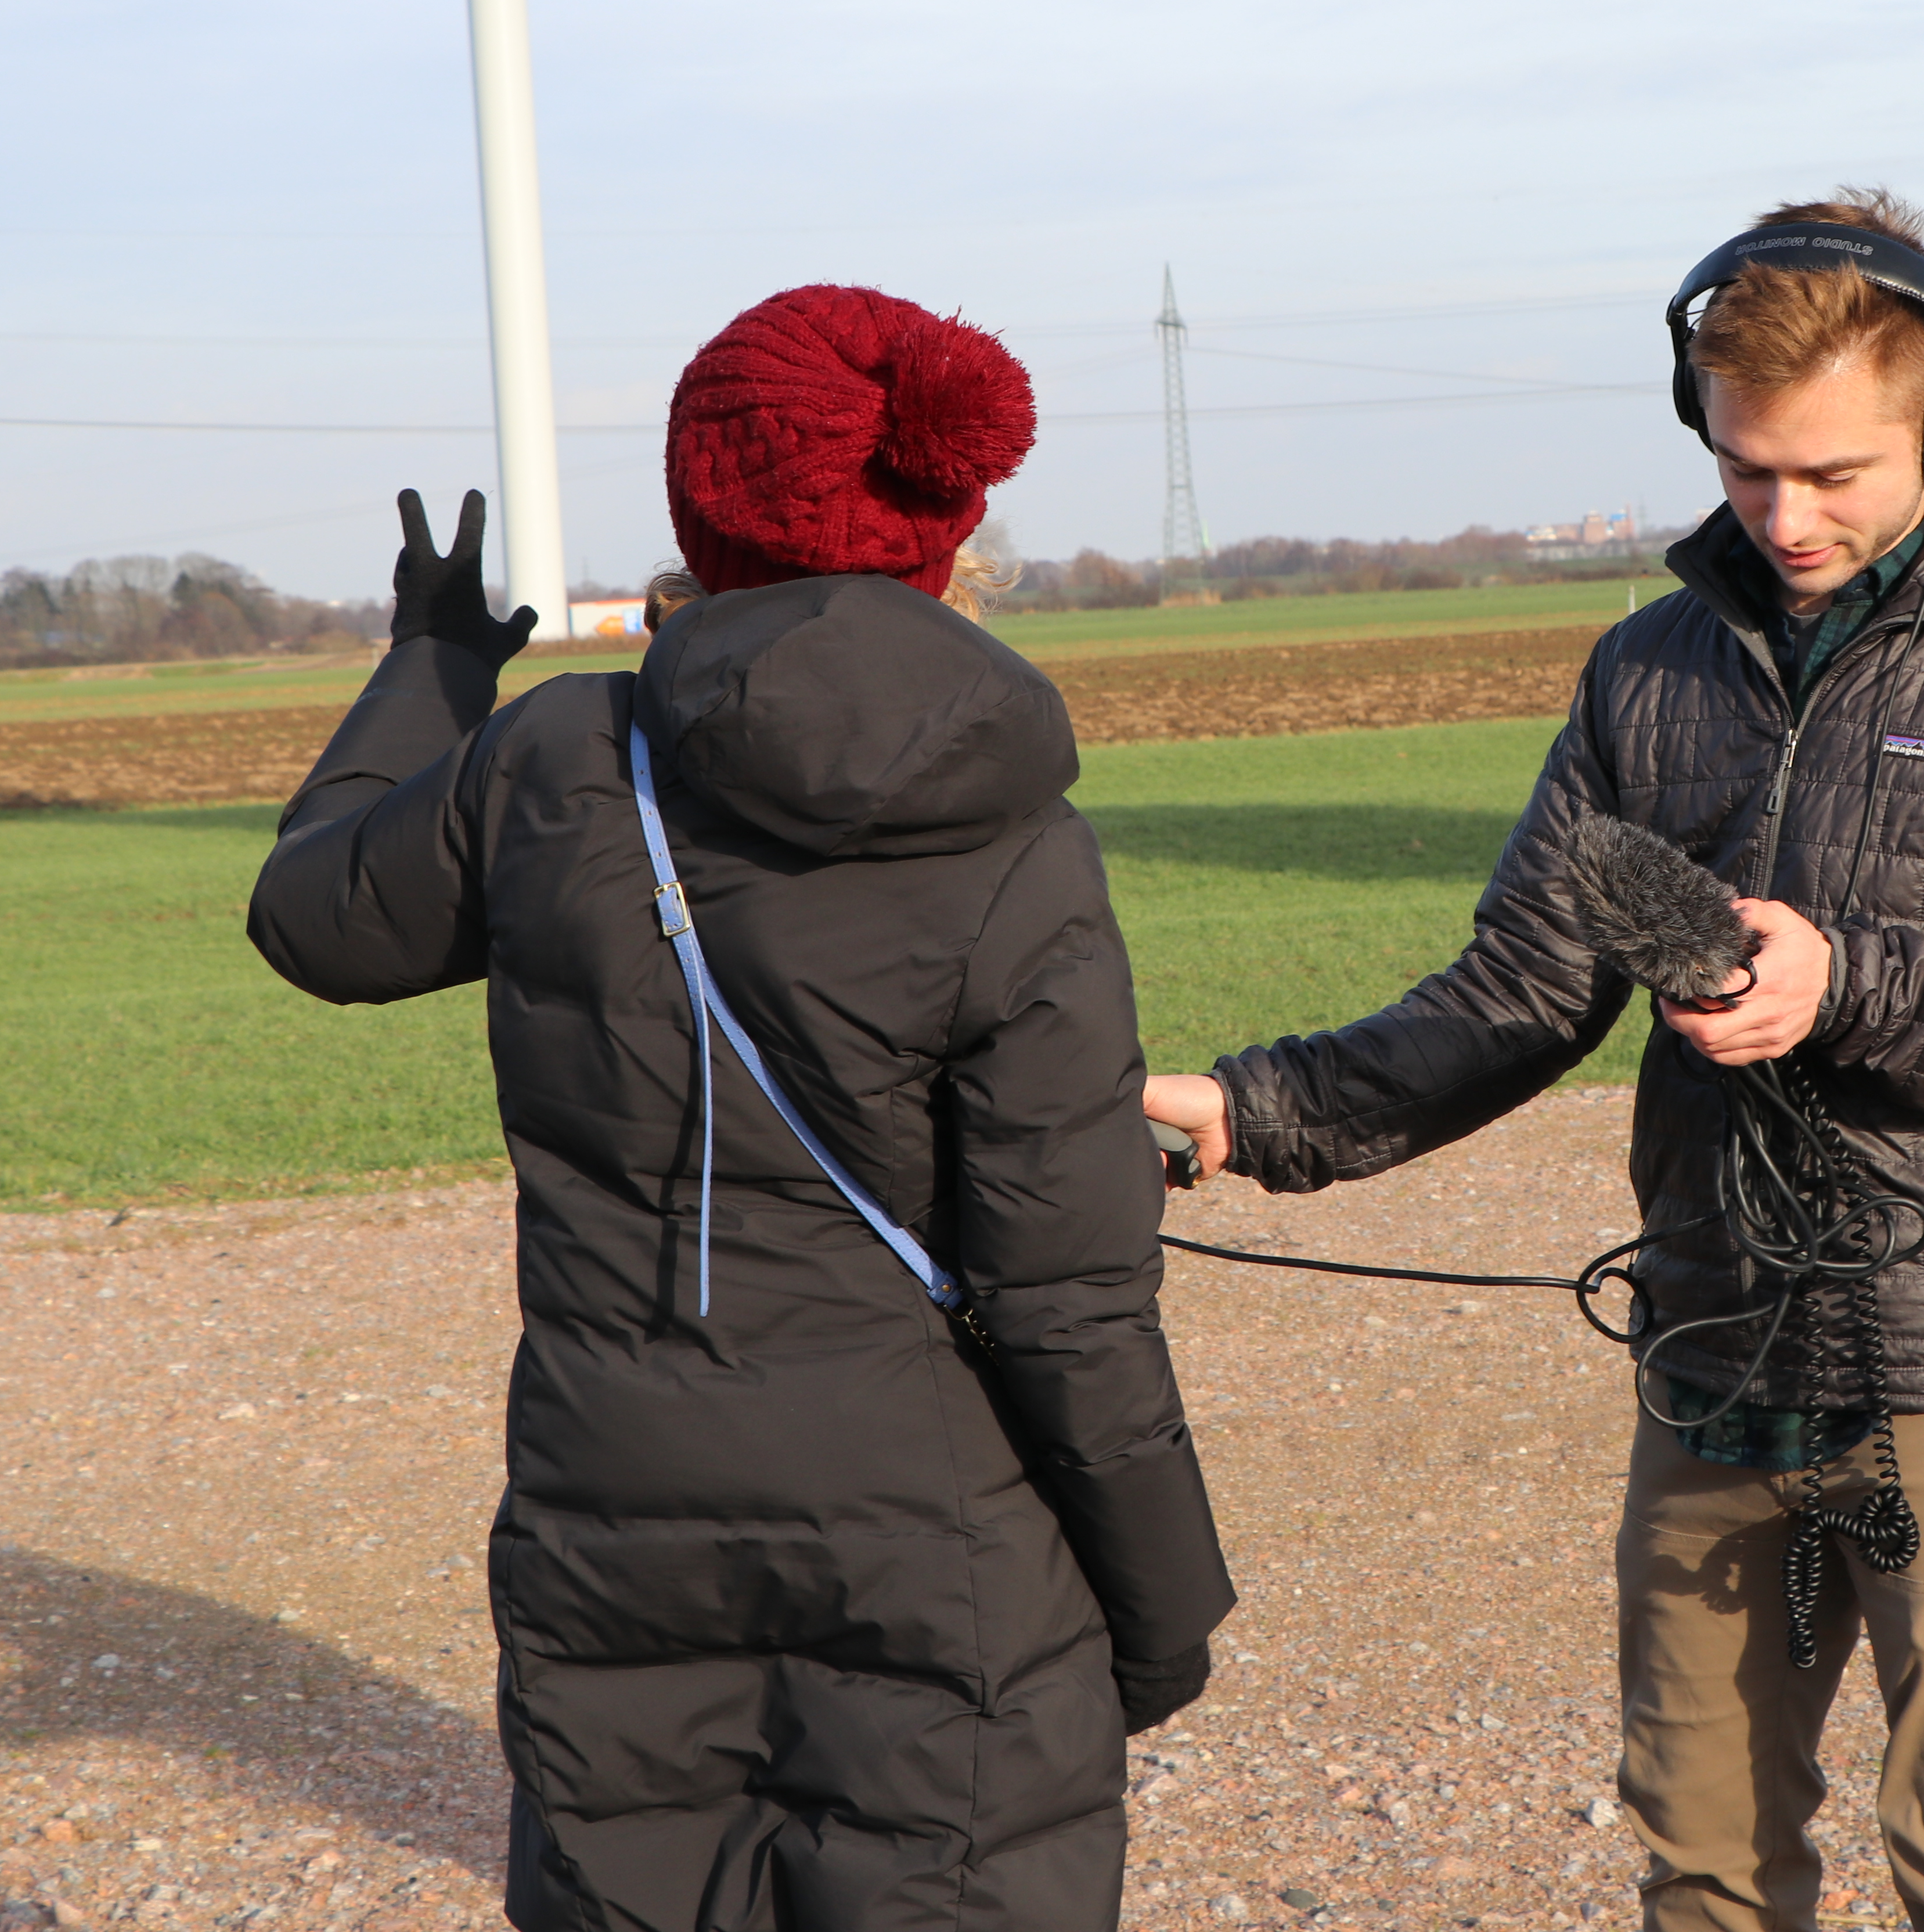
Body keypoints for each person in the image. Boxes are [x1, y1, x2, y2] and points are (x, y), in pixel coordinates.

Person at [1143, 191, 1924, 1932]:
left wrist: (1845, 984)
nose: (1787, 517)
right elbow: (1520, 986)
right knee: (1704, 1858)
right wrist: (1253, 1115)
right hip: (1714, 1349)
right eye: (1746, 469)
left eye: (1838, 474)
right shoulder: (1650, 675)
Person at [249, 283, 1235, 1932]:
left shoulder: (555, 763)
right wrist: (1158, 1608)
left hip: (614, 1510)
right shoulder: (1016, 828)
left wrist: (430, 668)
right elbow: (1070, 1297)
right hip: (941, 1526)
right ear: (947, 516)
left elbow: (312, 915)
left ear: (702, 499)